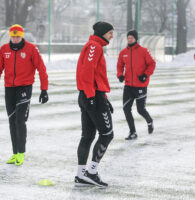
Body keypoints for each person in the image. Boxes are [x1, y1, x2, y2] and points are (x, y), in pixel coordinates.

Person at [0, 24, 49, 166]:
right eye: (13, 36)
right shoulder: (4, 49)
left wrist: (44, 89)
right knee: (12, 121)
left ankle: (21, 153)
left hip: (24, 87)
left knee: (20, 121)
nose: (15, 39)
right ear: (10, 36)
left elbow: (41, 68)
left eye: (18, 36)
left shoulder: (31, 49)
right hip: (9, 88)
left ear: (22, 36)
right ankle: (15, 153)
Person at [75, 21, 114, 187]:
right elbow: (87, 72)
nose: (112, 35)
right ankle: (91, 172)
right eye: (110, 32)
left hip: (92, 95)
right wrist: (93, 97)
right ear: (103, 32)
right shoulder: (94, 47)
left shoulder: (95, 46)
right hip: (92, 96)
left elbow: (94, 75)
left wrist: (104, 97)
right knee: (107, 134)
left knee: (88, 136)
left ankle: (80, 175)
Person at [116, 30, 156, 140]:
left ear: (136, 39)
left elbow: (152, 64)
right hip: (128, 86)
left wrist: (145, 75)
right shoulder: (123, 52)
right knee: (126, 109)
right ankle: (133, 132)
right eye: (128, 38)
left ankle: (149, 120)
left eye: (132, 38)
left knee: (140, 110)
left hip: (140, 85)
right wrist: (120, 75)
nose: (130, 39)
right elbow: (120, 65)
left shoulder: (143, 51)